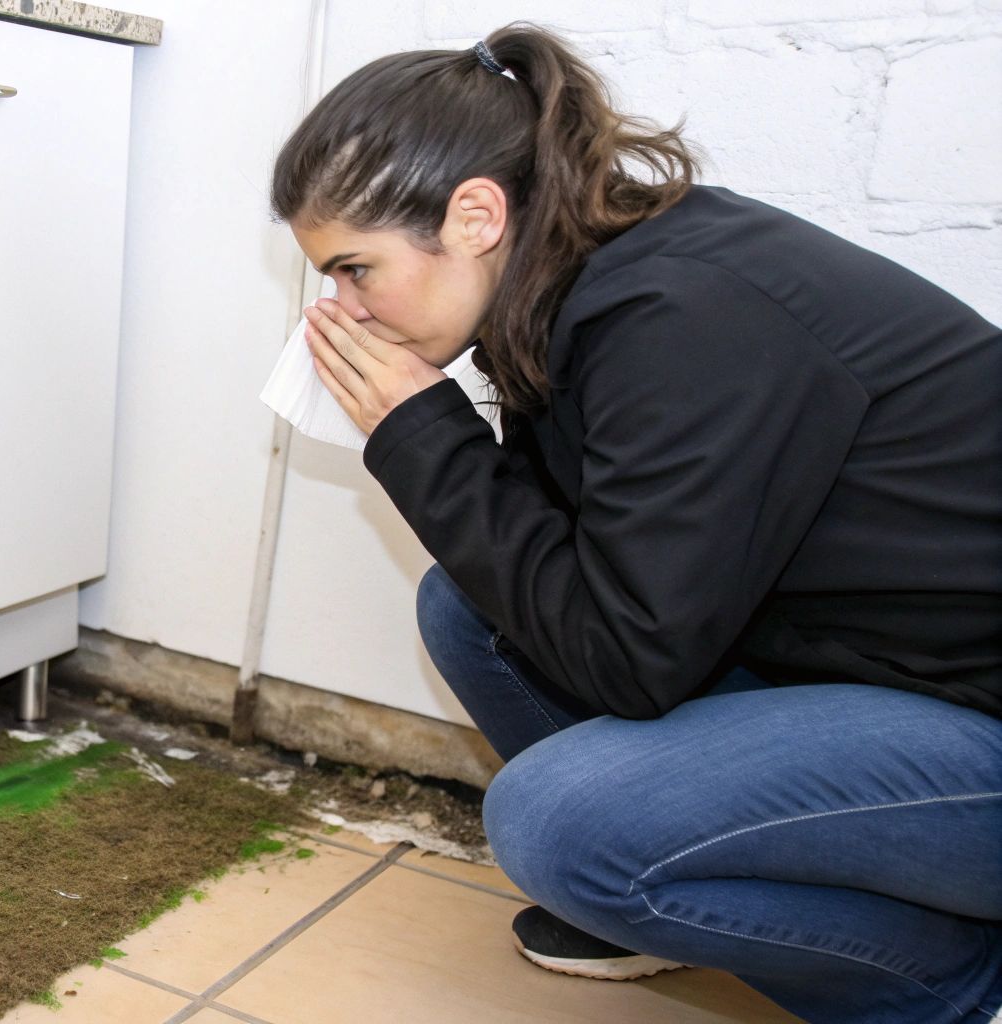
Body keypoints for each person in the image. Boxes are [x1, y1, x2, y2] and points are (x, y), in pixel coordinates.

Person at [269, 22, 1002, 1024]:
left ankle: (954, 991)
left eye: (355, 268)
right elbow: (577, 570)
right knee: (466, 606)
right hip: (892, 669)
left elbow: (625, 657)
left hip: (976, 719)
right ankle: (658, 894)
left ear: (475, 214)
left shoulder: (681, 317)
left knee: (555, 826)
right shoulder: (563, 290)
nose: (340, 307)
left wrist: (417, 434)